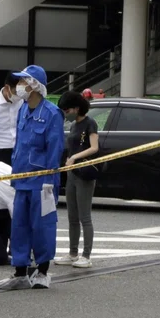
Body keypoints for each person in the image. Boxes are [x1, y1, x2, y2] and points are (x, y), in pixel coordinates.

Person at [0, 64, 65, 290]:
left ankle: (43, 271)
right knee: (20, 226)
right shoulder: (23, 110)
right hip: (21, 179)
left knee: (43, 225)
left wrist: (50, 182)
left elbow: (54, 150)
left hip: (42, 182)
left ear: (34, 86)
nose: (19, 86)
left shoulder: (52, 114)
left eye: (23, 82)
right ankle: (20, 271)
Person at [55, 90, 99, 269]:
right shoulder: (73, 126)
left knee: (84, 216)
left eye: (68, 110)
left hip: (85, 172)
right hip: (72, 173)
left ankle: (86, 255)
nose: (67, 114)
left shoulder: (90, 123)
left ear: (76, 108)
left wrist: (75, 157)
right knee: (72, 215)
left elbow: (94, 147)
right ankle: (73, 253)